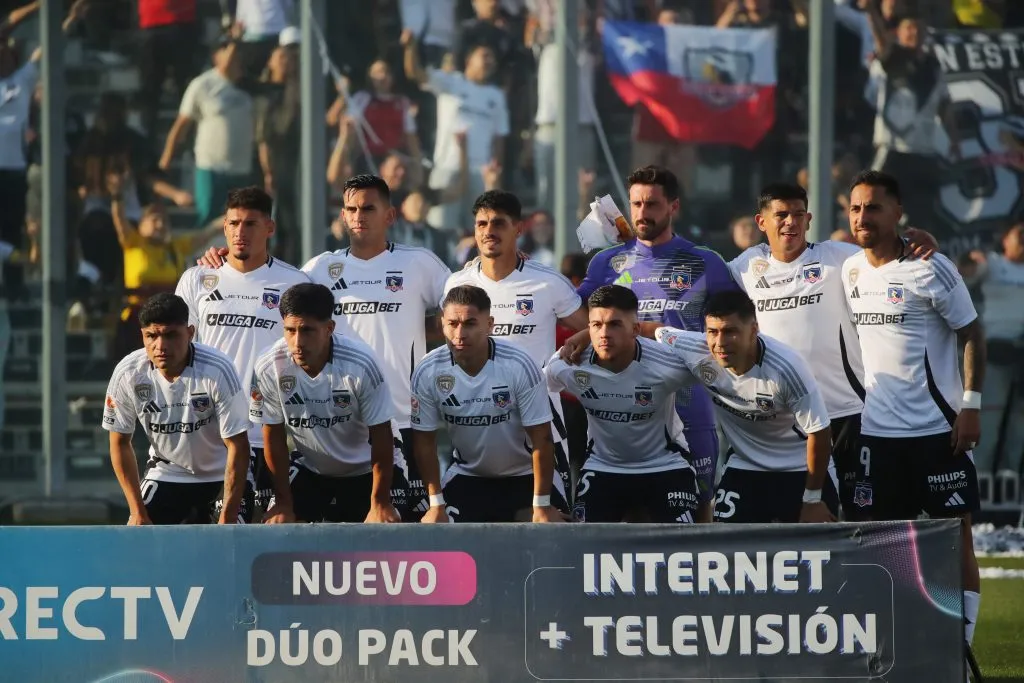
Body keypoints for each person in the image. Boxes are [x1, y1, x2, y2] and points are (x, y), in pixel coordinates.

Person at [201, 175, 450, 521]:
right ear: (343, 216)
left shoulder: (419, 263)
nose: (359, 216)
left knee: (406, 530)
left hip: (399, 418)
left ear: (390, 216)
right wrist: (223, 260)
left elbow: (466, 298)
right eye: (351, 209)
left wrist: (504, 262)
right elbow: (271, 286)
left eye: (368, 208)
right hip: (333, 421)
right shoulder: (318, 269)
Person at [728, 182, 937, 518]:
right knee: (802, 522)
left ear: (809, 219)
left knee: (863, 520)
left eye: (798, 214)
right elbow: (700, 282)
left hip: (847, 415)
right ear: (761, 221)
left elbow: (890, 257)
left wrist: (920, 245)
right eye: (780, 215)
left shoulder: (838, 258)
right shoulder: (744, 268)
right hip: (786, 421)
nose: (790, 222)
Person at [842, 170, 986, 653]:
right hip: (877, 436)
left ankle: (960, 645)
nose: (863, 217)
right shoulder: (850, 270)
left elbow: (972, 334)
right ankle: (896, 641)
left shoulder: (931, 266)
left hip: (937, 431)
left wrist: (970, 406)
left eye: (874, 207)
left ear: (897, 212)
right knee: (886, 545)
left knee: (956, 537)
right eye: (856, 208)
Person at [564, 289, 838, 523]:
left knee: (818, 551)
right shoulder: (695, 348)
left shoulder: (787, 367)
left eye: (730, 332)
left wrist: (813, 499)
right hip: (745, 465)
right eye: (712, 332)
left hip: (802, 469)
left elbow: (820, 431)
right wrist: (585, 336)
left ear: (754, 329)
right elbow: (645, 329)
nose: (719, 343)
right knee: (727, 554)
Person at [576, 165, 740, 521]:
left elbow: (736, 326)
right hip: (624, 409)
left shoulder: (705, 262)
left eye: (651, 204)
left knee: (698, 514)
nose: (641, 213)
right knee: (619, 519)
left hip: (689, 402)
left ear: (673, 207)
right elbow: (573, 315)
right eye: (635, 204)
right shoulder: (606, 263)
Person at [445, 190, 588, 503]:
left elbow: (593, 328)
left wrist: (577, 344)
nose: (488, 231)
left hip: (538, 420)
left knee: (549, 522)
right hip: (477, 418)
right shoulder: (457, 284)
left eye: (498, 223)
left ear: (518, 229)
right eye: (481, 224)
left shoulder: (547, 281)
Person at [175, 187, 310, 518]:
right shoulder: (197, 279)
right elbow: (178, 353)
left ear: (269, 228)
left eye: (250, 224)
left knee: (258, 536)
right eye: (233, 223)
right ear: (224, 226)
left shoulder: (294, 283)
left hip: (265, 433)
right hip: (206, 432)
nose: (240, 232)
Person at [410, 285, 566, 524]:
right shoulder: (427, 370)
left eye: (470, 323)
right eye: (452, 324)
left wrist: (542, 506)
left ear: (489, 324)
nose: (460, 334)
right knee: (436, 532)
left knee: (545, 536)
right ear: (442, 323)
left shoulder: (519, 364)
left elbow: (542, 439)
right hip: (469, 475)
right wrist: (435, 504)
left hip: (526, 476)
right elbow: (423, 441)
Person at [545, 285, 700, 523]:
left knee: (679, 546)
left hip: (665, 466)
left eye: (615, 324)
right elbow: (532, 393)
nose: (604, 334)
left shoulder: (667, 364)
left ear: (635, 329)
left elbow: (715, 358)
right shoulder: (568, 363)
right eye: (596, 326)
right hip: (603, 466)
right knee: (581, 546)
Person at [250, 283, 401, 524]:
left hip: (367, 469)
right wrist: (283, 504)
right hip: (311, 468)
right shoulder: (268, 365)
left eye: (307, 330)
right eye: (290, 330)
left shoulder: (361, 363)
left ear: (329, 328)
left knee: (382, 535)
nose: (297, 341)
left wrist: (380, 502)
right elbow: (273, 436)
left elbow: (382, 435)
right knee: (278, 528)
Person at [101, 293, 251, 525]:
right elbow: (119, 443)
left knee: (229, 541)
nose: (160, 346)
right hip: (168, 473)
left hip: (221, 475)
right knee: (137, 539)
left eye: (171, 335)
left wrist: (229, 515)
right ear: (142, 336)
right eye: (152, 336)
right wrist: (137, 512)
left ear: (190, 333)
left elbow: (238, 445)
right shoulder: (128, 372)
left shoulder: (218, 369)